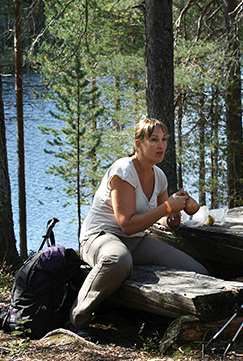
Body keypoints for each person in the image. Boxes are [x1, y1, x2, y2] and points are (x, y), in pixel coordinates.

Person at [70, 118, 208, 332]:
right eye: (153, 140)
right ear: (138, 144)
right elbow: (126, 224)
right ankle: (77, 319)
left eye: (163, 140)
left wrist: (172, 218)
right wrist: (166, 208)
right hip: (101, 237)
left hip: (135, 242)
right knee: (118, 260)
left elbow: (161, 216)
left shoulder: (158, 175)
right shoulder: (123, 171)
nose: (160, 146)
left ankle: (188, 324)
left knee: (198, 272)